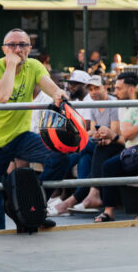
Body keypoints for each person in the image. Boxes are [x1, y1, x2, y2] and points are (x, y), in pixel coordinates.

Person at [0, 28, 68, 232]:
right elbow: (3, 95)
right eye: (12, 45)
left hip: (20, 136)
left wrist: (58, 93)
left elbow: (48, 84)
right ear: (3, 49)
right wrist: (11, 66)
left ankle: (33, 205)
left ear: (30, 48)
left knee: (59, 157)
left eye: (22, 45)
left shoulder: (34, 65)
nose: (17, 49)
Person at [93, 80, 138, 222]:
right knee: (108, 166)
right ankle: (109, 210)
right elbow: (126, 135)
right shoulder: (133, 110)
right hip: (134, 153)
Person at [48, 73, 113, 215]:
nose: (71, 87)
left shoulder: (99, 101)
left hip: (108, 143)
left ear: (105, 88)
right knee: (84, 158)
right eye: (91, 89)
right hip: (97, 142)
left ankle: (61, 195)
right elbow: (92, 130)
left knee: (73, 151)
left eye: (75, 84)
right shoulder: (92, 102)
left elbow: (113, 132)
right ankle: (81, 197)